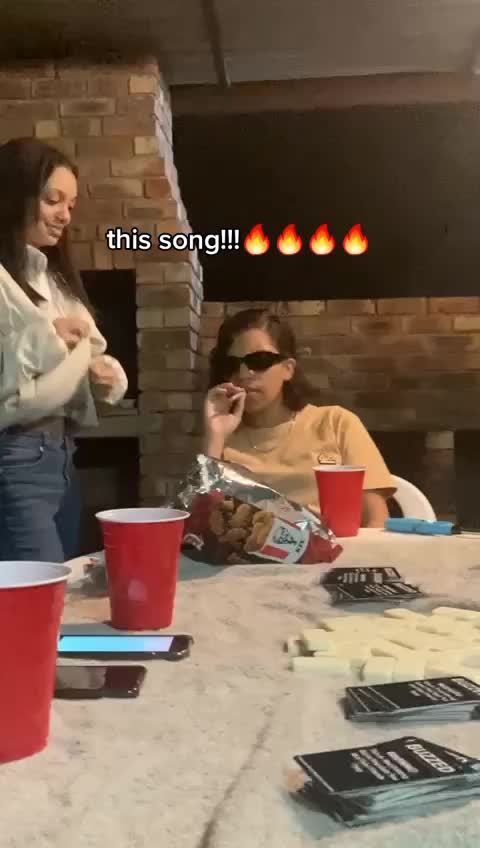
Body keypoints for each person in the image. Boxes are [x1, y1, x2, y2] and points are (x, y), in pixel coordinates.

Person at [0, 137, 128, 562]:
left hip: (61, 452)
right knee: (40, 588)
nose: (64, 216)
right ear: (14, 194)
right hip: (14, 452)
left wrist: (106, 377)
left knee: (60, 580)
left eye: (70, 205)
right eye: (52, 200)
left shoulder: (52, 278)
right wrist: (51, 339)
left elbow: (87, 350)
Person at [203, 308, 395, 527]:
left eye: (260, 360)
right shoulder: (223, 437)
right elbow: (205, 526)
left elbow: (376, 518)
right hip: (253, 549)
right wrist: (214, 436)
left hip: (336, 547)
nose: (244, 374)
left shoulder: (335, 423)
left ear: (288, 369)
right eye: (231, 365)